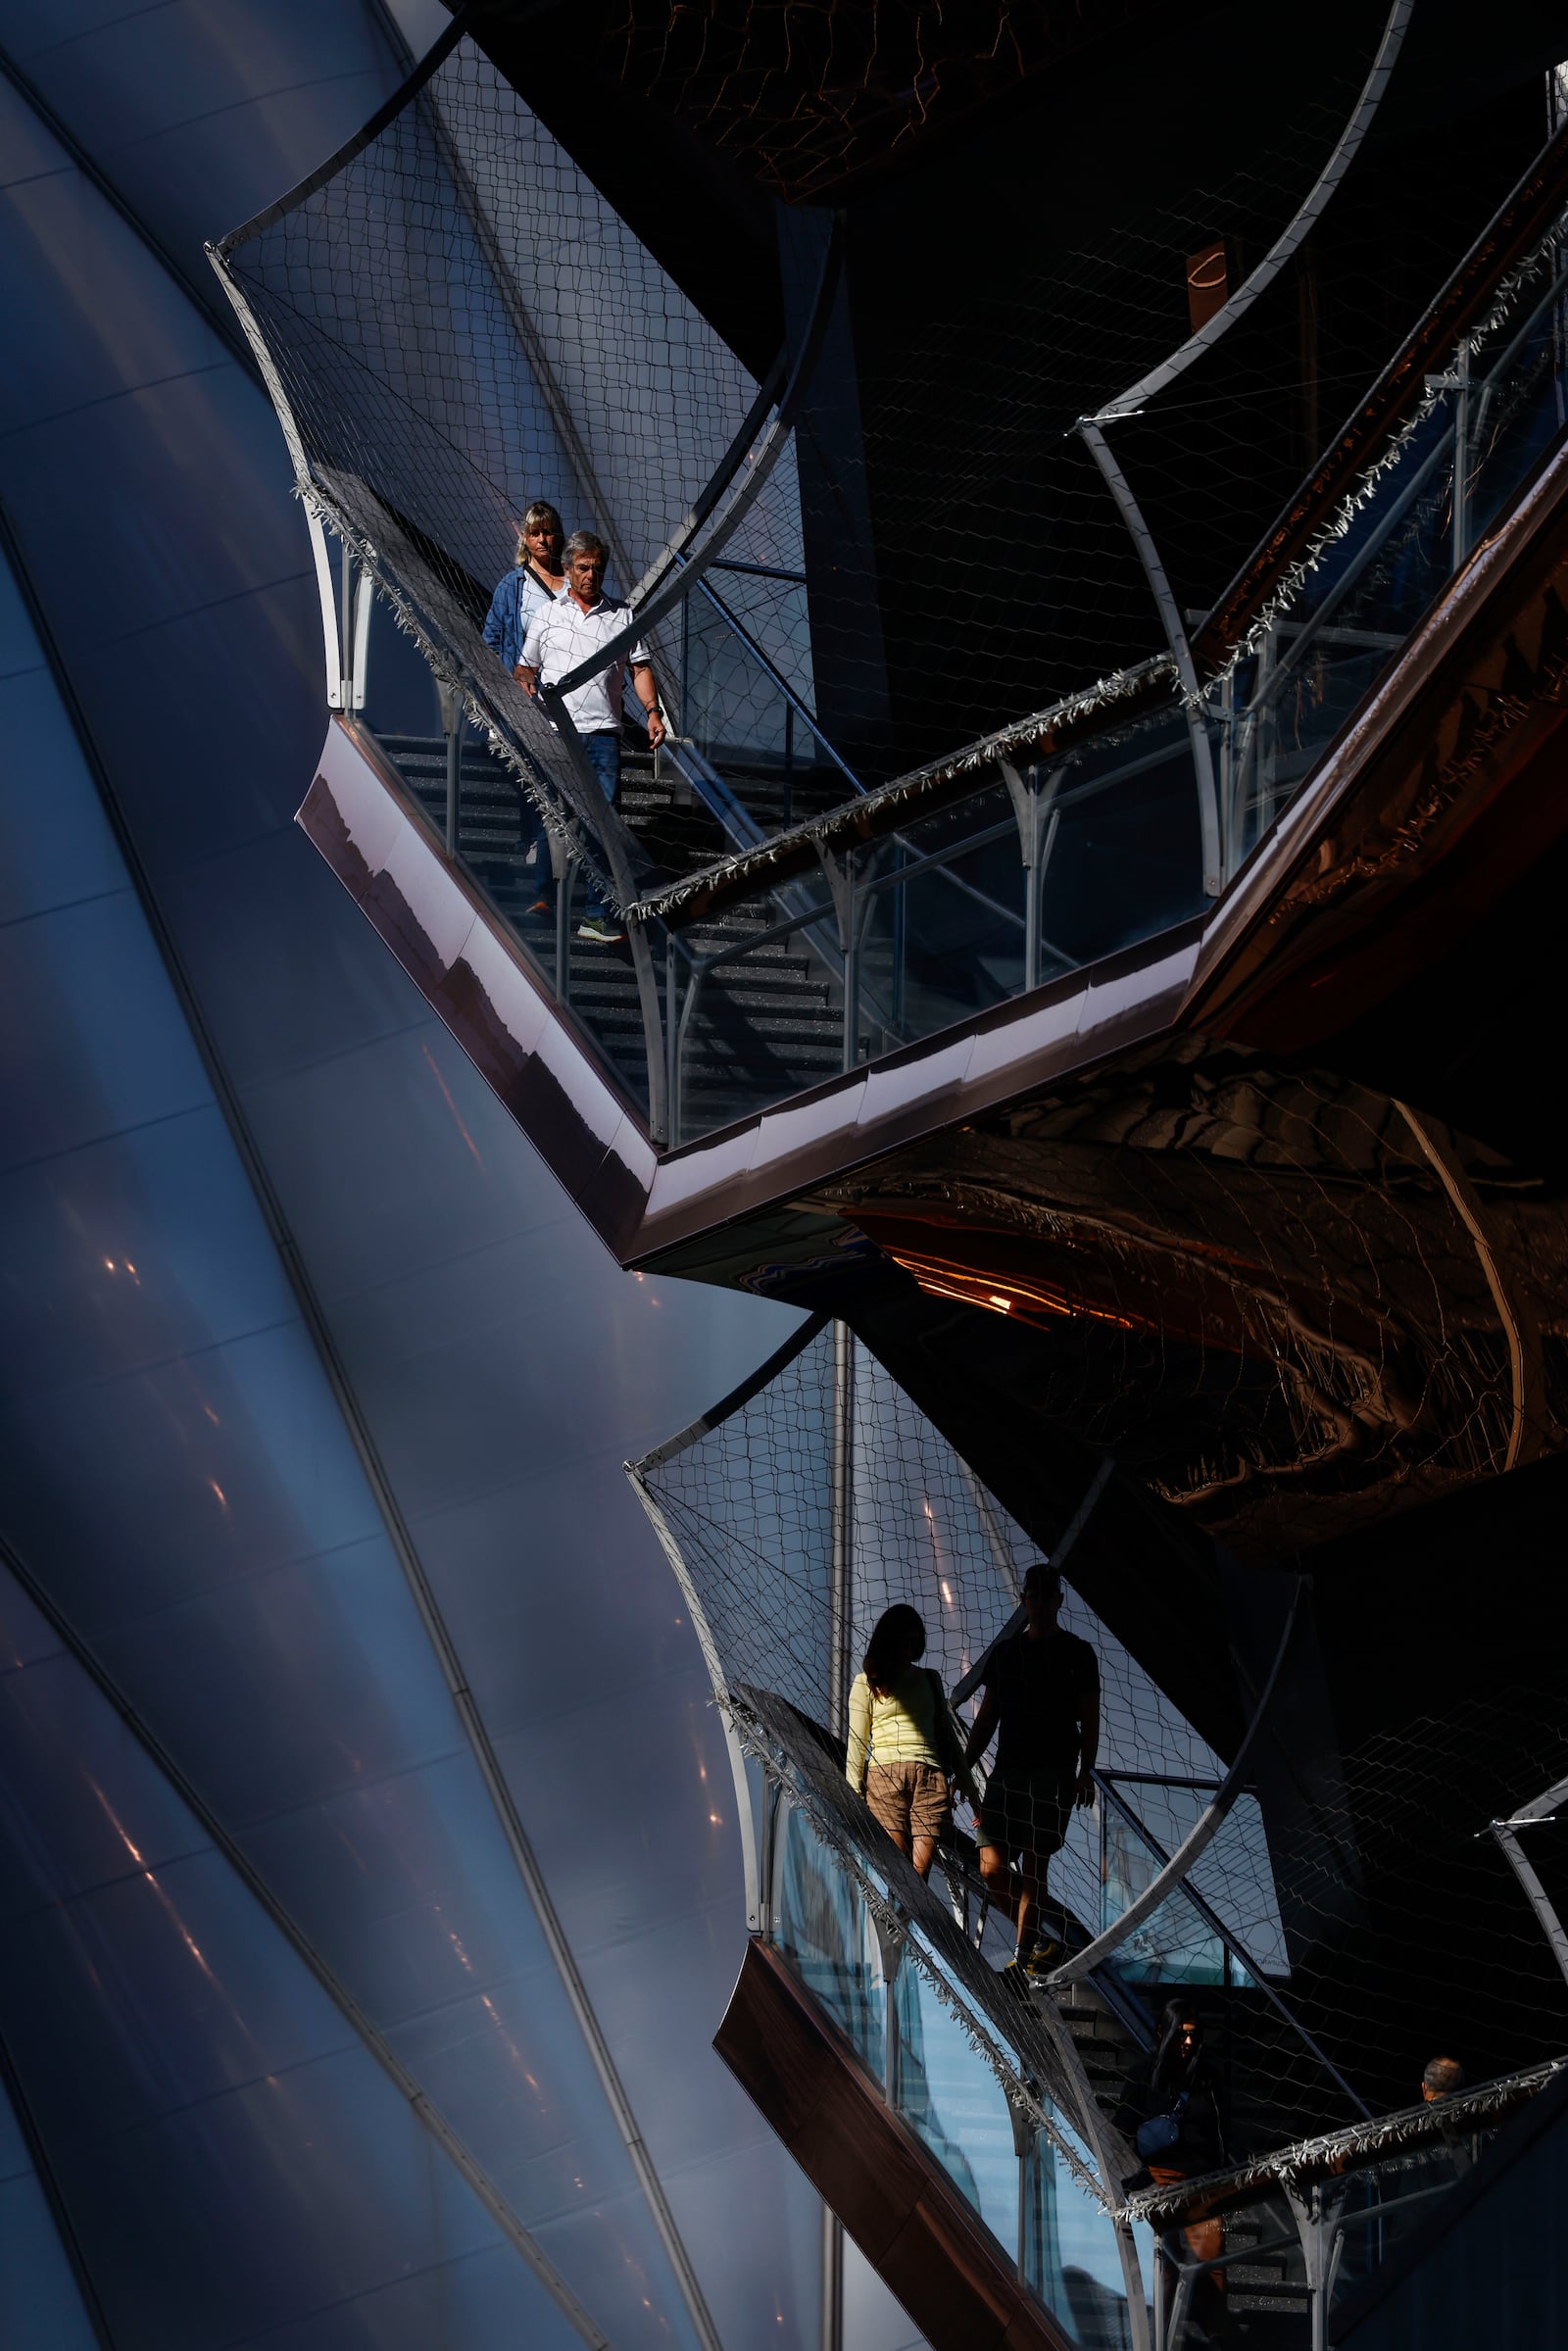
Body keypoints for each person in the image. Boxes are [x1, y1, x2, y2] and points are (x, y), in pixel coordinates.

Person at [518, 531, 665, 945]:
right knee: (556, 814)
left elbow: (639, 668)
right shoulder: (547, 615)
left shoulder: (622, 616)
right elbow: (525, 667)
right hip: (557, 733)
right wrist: (527, 685)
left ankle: (597, 914)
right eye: (583, 567)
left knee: (604, 822)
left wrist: (652, 712)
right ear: (567, 570)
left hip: (602, 734)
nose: (591, 575)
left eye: (597, 568)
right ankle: (544, 896)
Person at [961, 1560, 1099, 1980]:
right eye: (1033, 1594)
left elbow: (1089, 1718)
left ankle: (1022, 1961)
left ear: (1057, 1600)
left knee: (1036, 1863)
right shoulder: (1007, 1654)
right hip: (1009, 1772)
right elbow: (987, 1718)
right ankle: (1037, 1937)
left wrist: (1084, 1772)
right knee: (990, 1867)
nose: (1039, 1602)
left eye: (1045, 1595)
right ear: (1025, 1599)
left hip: (1051, 1774)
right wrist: (963, 1768)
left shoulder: (1077, 1653)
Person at [1117, 2003, 1229, 2336]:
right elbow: (1121, 2129)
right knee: (1164, 2258)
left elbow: (1220, 2133)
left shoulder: (1206, 2079)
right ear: (1162, 2033)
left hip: (1200, 2182)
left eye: (1194, 2036)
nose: (1189, 2043)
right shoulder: (1142, 2075)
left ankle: (1215, 2332)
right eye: (1182, 2034)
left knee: (1212, 2250)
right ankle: (1158, 2334)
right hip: (1157, 2179)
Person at [845, 1604, 975, 1881]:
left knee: (917, 1876)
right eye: (904, 1638)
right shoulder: (866, 1682)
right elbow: (856, 1743)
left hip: (929, 1778)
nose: (909, 1645)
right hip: (886, 1776)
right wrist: (853, 1798)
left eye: (914, 1640)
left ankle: (903, 1921)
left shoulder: (929, 1678)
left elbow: (947, 1733)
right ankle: (898, 1920)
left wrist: (968, 1784)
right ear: (890, 1640)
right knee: (900, 1874)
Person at [482, 502, 566, 917]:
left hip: (567, 697)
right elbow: (493, 637)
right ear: (526, 540)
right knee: (533, 770)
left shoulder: (574, 583)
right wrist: (507, 686)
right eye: (536, 533)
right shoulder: (512, 586)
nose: (544, 539)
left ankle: (552, 852)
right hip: (526, 695)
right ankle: (538, 839)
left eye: (550, 532)